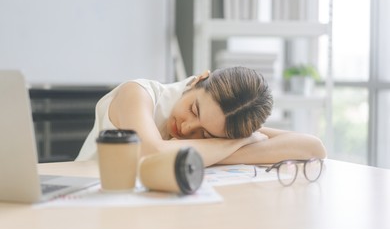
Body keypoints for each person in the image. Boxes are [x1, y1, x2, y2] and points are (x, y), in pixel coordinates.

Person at [76, 66, 326, 166]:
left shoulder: (224, 122)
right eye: (194, 110)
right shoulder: (137, 94)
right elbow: (153, 156)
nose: (186, 129)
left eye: (205, 134)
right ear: (199, 79)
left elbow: (313, 147)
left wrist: (222, 144)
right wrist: (235, 143)